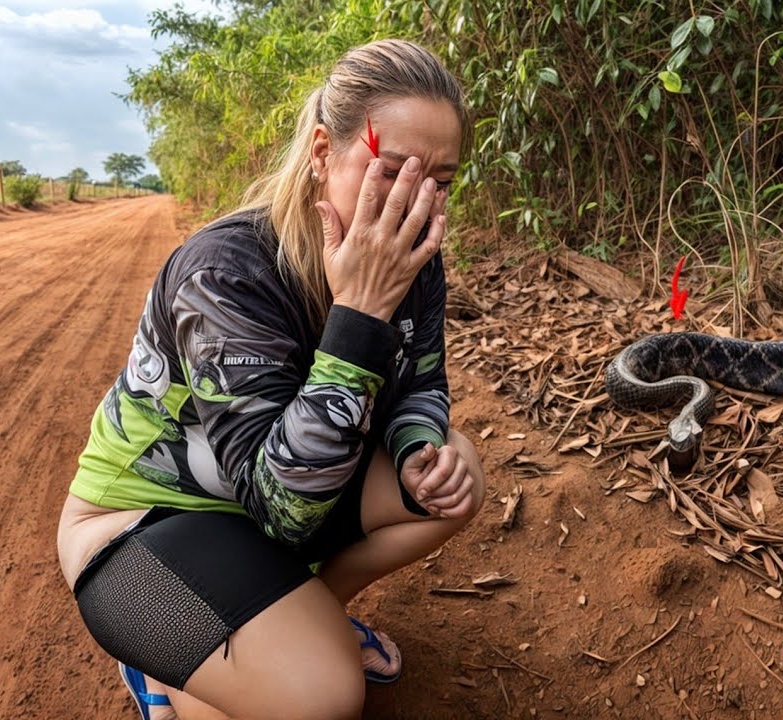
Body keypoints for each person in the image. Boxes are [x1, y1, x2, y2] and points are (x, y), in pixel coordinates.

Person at [56, 39, 484, 720]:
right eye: (395, 170)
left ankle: (311, 617)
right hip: (137, 535)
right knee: (320, 698)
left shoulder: (414, 259)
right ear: (322, 152)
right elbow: (283, 512)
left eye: (442, 182)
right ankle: (158, 671)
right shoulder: (225, 272)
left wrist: (415, 449)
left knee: (458, 472)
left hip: (262, 508)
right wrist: (360, 315)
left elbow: (422, 386)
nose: (417, 201)